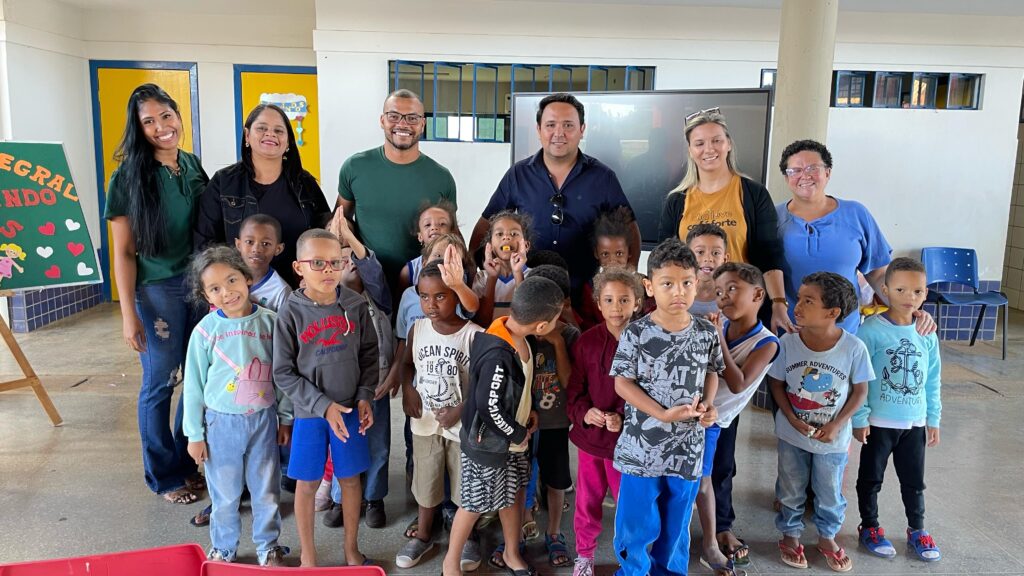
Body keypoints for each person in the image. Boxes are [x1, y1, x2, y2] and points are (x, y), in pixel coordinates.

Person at [105, 83, 208, 504]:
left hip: (199, 286)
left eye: (166, 116)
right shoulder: (127, 178)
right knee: (160, 383)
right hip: (156, 291)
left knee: (196, 380)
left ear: (178, 116)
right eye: (149, 121)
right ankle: (164, 476)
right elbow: (123, 252)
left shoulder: (191, 164)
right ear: (139, 128)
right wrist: (128, 314)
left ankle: (186, 462)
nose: (161, 127)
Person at [610, 239, 724, 576]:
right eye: (668, 284)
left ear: (697, 283)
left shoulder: (706, 332)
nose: (679, 292)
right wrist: (660, 414)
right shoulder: (636, 333)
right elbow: (622, 383)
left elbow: (711, 371)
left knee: (677, 524)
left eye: (686, 282)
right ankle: (633, 572)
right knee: (635, 523)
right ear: (649, 287)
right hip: (641, 451)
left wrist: (708, 404)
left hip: (687, 451)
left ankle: (670, 572)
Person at [441, 276, 566, 576]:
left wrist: (528, 410)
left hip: (513, 441)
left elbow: (516, 388)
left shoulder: (523, 338)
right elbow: (488, 407)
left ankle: (512, 553)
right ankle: (450, 565)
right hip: (489, 445)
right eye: (555, 320)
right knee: (473, 504)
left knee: (514, 494)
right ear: (541, 325)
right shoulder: (498, 353)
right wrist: (517, 433)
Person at [274, 229, 378, 567]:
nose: (328, 270)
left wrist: (364, 396)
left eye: (335, 262)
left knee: (350, 480)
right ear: (298, 268)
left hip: (349, 409)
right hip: (310, 414)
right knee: (307, 484)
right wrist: (322, 406)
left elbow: (369, 355)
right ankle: (308, 555)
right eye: (317, 263)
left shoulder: (355, 305)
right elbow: (283, 372)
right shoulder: (290, 312)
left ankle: (351, 549)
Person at [182, 246, 292, 566]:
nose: (227, 292)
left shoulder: (271, 323)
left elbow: (283, 375)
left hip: (263, 421)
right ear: (206, 296)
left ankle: (268, 546)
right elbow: (193, 387)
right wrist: (194, 435)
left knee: (266, 490)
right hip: (220, 426)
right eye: (215, 288)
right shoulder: (205, 332)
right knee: (225, 493)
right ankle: (223, 548)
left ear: (247, 278)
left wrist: (285, 418)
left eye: (232, 280)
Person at [470, 93, 639, 300]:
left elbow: (630, 227)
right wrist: (476, 271)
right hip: (530, 293)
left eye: (568, 125)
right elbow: (486, 223)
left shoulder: (603, 177)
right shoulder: (518, 175)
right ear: (538, 130)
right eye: (550, 125)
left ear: (582, 130)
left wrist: (629, 276)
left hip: (586, 294)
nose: (558, 133)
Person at [768, 272, 872, 573]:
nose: (797, 306)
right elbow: (776, 384)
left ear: (832, 312)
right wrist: (790, 417)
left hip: (832, 440)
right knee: (790, 487)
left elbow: (860, 391)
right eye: (799, 298)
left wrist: (837, 425)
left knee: (829, 492)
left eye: (808, 301)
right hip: (792, 435)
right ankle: (790, 534)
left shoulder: (853, 348)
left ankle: (827, 537)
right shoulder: (788, 342)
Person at [658, 109, 788, 330]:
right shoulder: (677, 200)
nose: (709, 149)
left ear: (728, 144)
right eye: (699, 143)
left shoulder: (753, 194)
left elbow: (769, 255)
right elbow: (665, 261)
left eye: (716, 140)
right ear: (690, 151)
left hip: (742, 311)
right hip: (690, 312)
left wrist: (778, 303)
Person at [395, 260, 484, 570]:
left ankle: (467, 536)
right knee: (426, 480)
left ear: (457, 295)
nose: (430, 304)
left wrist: (460, 409)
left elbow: (484, 383)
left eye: (440, 296)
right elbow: (407, 364)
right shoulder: (417, 328)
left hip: (462, 426)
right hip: (425, 423)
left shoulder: (474, 335)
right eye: (424, 296)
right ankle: (423, 534)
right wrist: (408, 390)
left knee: (464, 484)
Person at [852, 258, 942, 562]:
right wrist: (860, 418)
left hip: (914, 423)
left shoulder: (927, 333)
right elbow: (859, 378)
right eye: (901, 289)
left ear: (925, 293)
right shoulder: (870, 331)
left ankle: (917, 529)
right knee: (870, 478)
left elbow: (932, 379)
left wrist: (933, 418)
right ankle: (870, 526)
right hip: (878, 422)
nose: (909, 297)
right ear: (885, 289)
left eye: (917, 291)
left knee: (914, 482)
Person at [316, 209, 395, 530]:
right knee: (343, 443)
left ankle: (374, 497)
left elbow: (371, 271)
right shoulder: (323, 302)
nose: (344, 262)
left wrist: (349, 238)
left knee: (378, 444)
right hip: (340, 390)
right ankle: (341, 498)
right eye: (334, 259)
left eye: (348, 254)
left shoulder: (377, 298)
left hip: (375, 385)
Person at [195, 103, 330, 288]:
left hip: (299, 288)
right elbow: (205, 243)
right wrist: (225, 287)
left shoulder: (304, 183)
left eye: (278, 130)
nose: (270, 134)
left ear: (288, 142)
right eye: (262, 128)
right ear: (247, 135)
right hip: (242, 290)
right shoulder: (223, 183)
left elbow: (322, 230)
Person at [336, 89, 458, 289]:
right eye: (394, 116)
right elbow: (341, 221)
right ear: (382, 120)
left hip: (422, 284)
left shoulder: (441, 178)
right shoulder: (354, 167)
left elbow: (451, 234)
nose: (403, 124)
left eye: (412, 118)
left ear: (422, 124)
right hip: (367, 282)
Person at [702, 263, 780, 571]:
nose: (723, 297)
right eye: (719, 291)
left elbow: (738, 383)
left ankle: (722, 527)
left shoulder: (767, 342)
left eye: (733, 289)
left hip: (723, 418)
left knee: (721, 471)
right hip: (699, 413)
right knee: (695, 474)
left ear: (758, 294)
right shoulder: (719, 327)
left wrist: (716, 338)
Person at [566, 268, 643, 576]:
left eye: (624, 300)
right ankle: (584, 554)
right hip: (592, 442)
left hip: (630, 443)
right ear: (598, 303)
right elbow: (575, 390)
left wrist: (623, 416)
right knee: (587, 500)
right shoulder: (587, 342)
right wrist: (585, 413)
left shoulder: (646, 342)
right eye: (609, 300)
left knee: (629, 503)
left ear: (637, 303)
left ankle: (631, 558)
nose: (616, 308)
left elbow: (651, 392)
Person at [577, 207, 634, 330]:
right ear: (596, 254)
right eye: (605, 254)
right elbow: (587, 324)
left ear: (629, 252)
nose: (613, 261)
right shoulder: (589, 288)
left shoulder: (639, 284)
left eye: (619, 253)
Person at [473, 211, 530, 326]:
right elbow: (483, 322)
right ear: (490, 245)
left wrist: (517, 272)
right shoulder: (481, 278)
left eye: (514, 234)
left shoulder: (533, 276)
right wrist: (492, 277)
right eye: (499, 234)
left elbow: (526, 319)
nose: (506, 237)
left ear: (526, 245)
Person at [398, 200, 459, 292]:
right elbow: (402, 300)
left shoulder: (461, 266)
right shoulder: (409, 272)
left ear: (452, 233)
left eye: (442, 224)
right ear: (420, 236)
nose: (434, 227)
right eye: (427, 225)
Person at [237, 214, 291, 311]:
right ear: (238, 245)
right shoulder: (225, 277)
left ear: (278, 249)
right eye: (249, 242)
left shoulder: (281, 291)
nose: (256, 249)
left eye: (265, 244)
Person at [686, 223, 729, 318]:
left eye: (716, 253)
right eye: (700, 252)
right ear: (688, 257)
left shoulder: (733, 299)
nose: (708, 259)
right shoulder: (676, 295)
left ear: (725, 259)